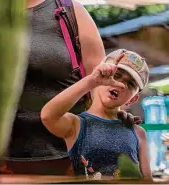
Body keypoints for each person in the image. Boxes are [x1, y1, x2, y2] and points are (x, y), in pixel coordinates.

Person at [0, 0, 141, 175]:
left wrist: (116, 118)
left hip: (69, 159)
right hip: (0, 162)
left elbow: (99, 82)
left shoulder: (68, 12)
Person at [41, 49, 152, 180]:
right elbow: (48, 116)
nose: (121, 84)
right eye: (116, 75)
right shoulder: (76, 124)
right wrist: (91, 81)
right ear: (100, 73)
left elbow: (147, 180)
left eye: (131, 83)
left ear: (133, 99)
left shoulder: (137, 132)